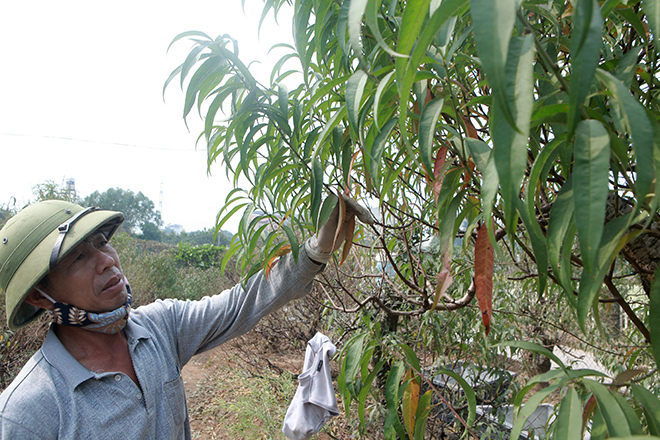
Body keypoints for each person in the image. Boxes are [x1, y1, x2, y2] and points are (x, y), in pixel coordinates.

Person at [0, 197, 362, 439]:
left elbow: (242, 304)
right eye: (78, 258)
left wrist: (315, 250)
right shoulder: (30, 411)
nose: (106, 260)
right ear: (38, 295)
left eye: (100, 242)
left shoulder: (159, 328)